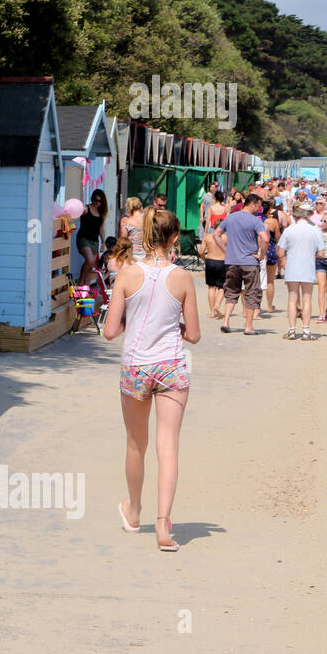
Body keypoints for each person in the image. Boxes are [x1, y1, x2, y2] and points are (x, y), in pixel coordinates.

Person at [104, 209, 200, 553]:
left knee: (135, 445)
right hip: (172, 365)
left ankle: (133, 511)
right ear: (175, 238)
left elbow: (110, 331)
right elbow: (194, 335)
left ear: (145, 235)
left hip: (136, 366)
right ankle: (164, 525)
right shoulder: (184, 278)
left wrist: (136, 322)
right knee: (168, 446)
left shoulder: (126, 275)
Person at [217, 193, 269, 334]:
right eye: (258, 206)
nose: (259, 209)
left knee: (231, 291)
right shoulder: (255, 221)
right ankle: (248, 326)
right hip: (249, 261)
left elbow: (216, 234)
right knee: (252, 292)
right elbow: (265, 239)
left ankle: (226, 321)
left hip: (232, 261)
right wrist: (262, 255)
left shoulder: (230, 217)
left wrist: (226, 250)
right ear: (252, 204)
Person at [277, 205, 320, 340]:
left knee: (292, 299)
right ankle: (306, 330)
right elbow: (322, 252)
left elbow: (280, 251)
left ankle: (291, 330)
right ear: (307, 216)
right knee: (307, 299)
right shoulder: (315, 230)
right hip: (308, 266)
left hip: (292, 266)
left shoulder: (289, 230)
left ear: (294, 217)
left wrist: (285, 258)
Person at [76, 189, 108, 285]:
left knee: (91, 268)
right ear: (92, 199)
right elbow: (78, 211)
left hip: (95, 241)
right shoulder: (86, 209)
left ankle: (86, 288)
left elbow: (101, 229)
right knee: (90, 260)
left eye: (99, 201)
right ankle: (80, 280)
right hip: (83, 238)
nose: (97, 203)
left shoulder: (101, 213)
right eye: (95, 200)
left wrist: (103, 242)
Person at [198, 220, 227, 319]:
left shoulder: (207, 237)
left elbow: (201, 251)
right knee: (222, 287)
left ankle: (211, 312)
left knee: (211, 287)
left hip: (210, 261)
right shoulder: (225, 237)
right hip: (221, 261)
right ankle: (217, 305)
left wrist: (205, 260)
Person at [262, 201, 281, 315]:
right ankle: (269, 306)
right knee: (270, 280)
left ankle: (256, 306)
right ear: (269, 210)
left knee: (257, 280)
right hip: (271, 249)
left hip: (258, 250)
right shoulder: (273, 221)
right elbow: (278, 237)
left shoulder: (257, 220)